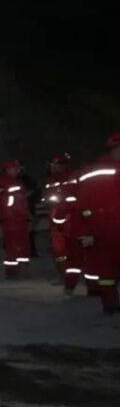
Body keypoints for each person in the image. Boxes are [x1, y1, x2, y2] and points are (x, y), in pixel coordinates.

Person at [75, 133, 120, 314]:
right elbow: (83, 204)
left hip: (101, 228)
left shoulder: (92, 171)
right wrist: (87, 229)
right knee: (107, 271)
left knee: (106, 270)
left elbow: (83, 205)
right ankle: (110, 304)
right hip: (103, 229)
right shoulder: (97, 172)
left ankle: (110, 303)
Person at [43, 153, 83, 292]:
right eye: (51, 165)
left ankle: (73, 280)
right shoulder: (51, 180)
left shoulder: (71, 178)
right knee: (58, 252)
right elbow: (50, 198)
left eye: (55, 165)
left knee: (73, 251)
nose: (53, 168)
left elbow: (70, 200)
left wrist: (61, 216)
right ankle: (65, 276)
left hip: (69, 220)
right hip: (56, 220)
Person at [0, 160, 31, 278]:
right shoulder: (3, 181)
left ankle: (22, 267)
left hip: (19, 217)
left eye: (18, 169)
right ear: (8, 169)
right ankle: (12, 271)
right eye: (15, 169)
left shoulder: (16, 181)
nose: (17, 171)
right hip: (11, 218)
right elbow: (3, 198)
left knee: (22, 242)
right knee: (12, 244)